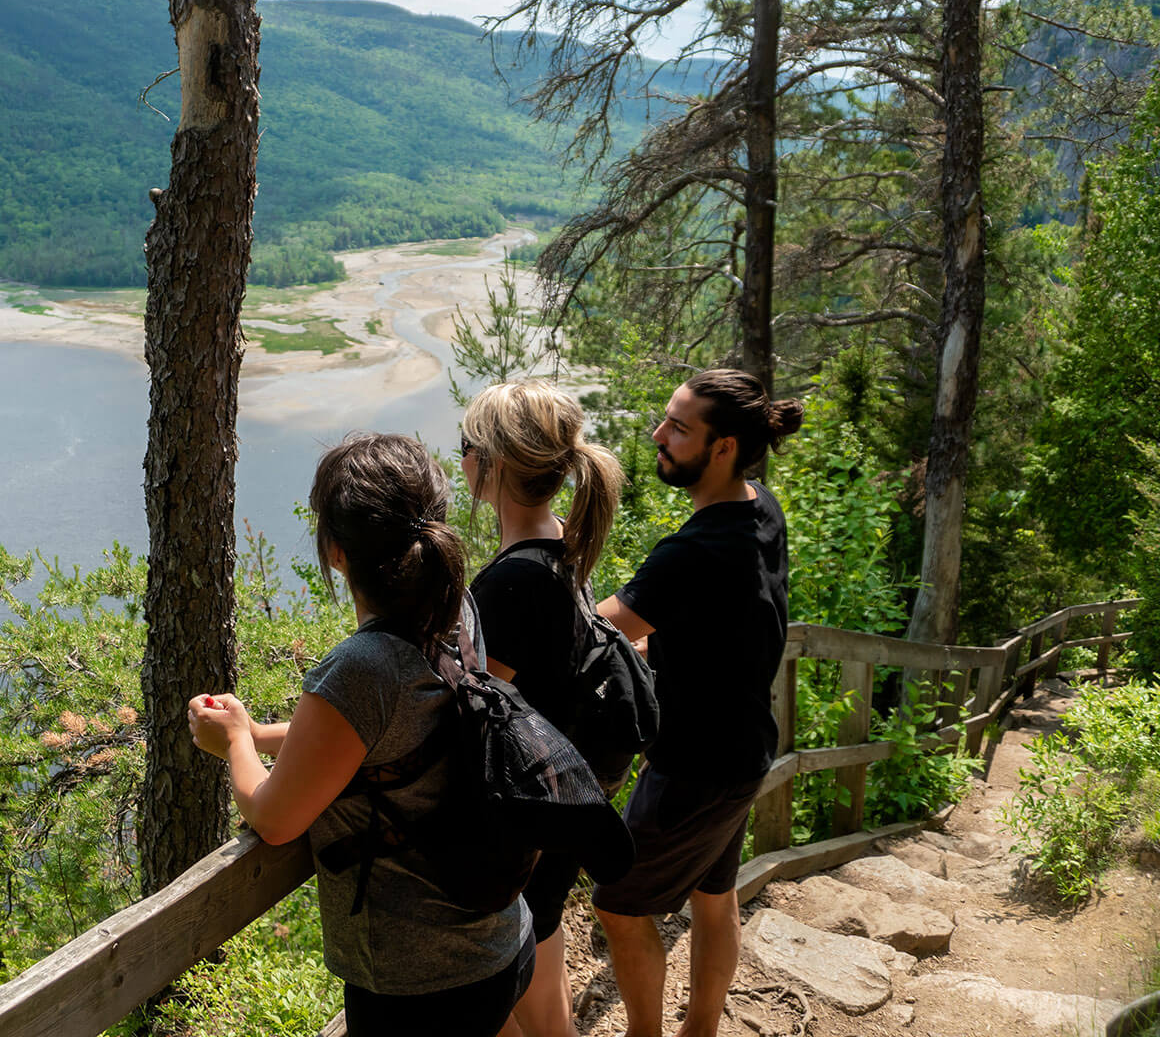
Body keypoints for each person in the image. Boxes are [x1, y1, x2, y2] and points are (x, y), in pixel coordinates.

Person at [188, 433, 535, 1037]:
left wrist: (236, 743)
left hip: (419, 979)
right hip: (500, 934)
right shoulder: (461, 614)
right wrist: (266, 732)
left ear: (336, 552)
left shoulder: (360, 670)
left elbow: (274, 819)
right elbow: (388, 734)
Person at [589, 368, 805, 1037]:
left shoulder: (690, 552)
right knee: (715, 900)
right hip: (744, 752)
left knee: (621, 907)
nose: (658, 435)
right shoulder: (761, 509)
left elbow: (590, 629)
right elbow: (729, 621)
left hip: (692, 769)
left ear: (722, 448)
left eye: (678, 428)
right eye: (666, 418)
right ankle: (700, 1031)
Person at [459, 379, 625, 1037]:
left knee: (503, 992)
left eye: (466, 447)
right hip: (561, 796)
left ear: (492, 466)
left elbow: (467, 713)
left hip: (526, 821)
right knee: (545, 932)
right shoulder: (559, 545)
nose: (461, 459)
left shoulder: (507, 584)